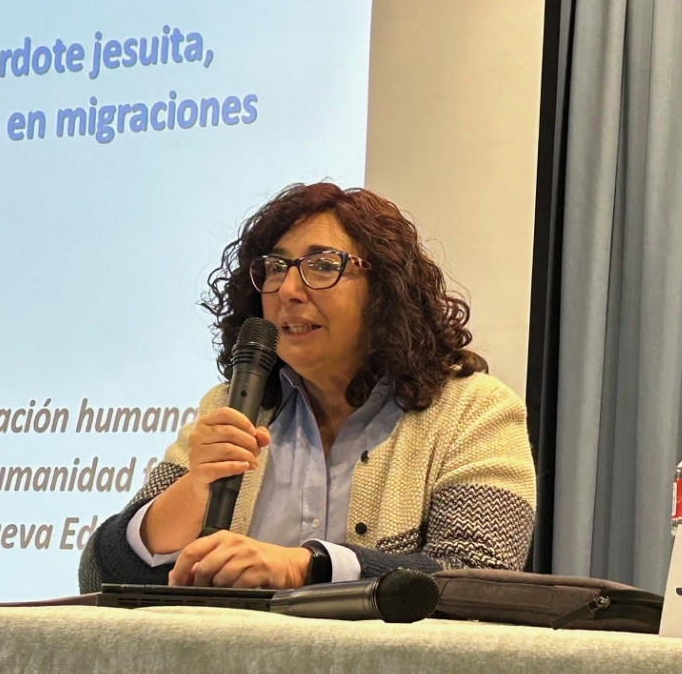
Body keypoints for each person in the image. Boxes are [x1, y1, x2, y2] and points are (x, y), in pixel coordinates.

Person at [79, 182, 536, 592]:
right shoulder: (235, 406)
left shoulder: (473, 411)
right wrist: (191, 492)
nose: (288, 290)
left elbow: (481, 577)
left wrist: (307, 567)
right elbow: (97, 577)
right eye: (275, 268)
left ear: (385, 290)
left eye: (322, 266)